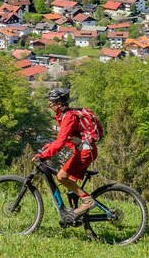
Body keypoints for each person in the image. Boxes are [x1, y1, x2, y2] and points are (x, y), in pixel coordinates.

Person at [35, 88, 101, 224]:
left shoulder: (68, 117)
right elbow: (63, 139)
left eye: (52, 103)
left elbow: (59, 144)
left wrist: (44, 155)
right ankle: (74, 217)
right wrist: (47, 149)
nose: (50, 106)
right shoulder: (67, 115)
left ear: (59, 103)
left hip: (85, 152)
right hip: (85, 151)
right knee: (71, 186)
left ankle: (87, 200)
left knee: (61, 177)